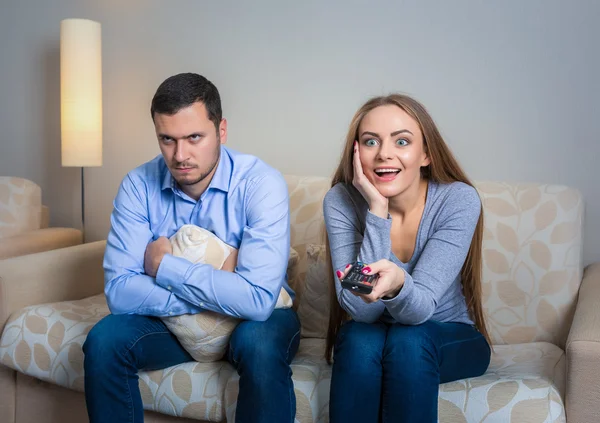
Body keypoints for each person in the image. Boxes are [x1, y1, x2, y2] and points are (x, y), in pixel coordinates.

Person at [83, 73, 300, 423]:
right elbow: (120, 292)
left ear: (222, 130)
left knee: (259, 346)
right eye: (167, 139)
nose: (180, 155)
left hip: (257, 322)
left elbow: (258, 300)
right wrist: (222, 288)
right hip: (173, 326)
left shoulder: (261, 184)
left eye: (194, 137)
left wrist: (166, 269)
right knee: (104, 341)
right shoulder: (138, 185)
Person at [323, 94, 491, 422]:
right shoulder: (341, 200)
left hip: (447, 334)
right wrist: (377, 210)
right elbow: (360, 310)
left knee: (408, 340)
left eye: (402, 141)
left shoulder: (458, 200)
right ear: (357, 152)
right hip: (374, 333)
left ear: (426, 153)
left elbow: (420, 309)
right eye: (371, 141)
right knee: (357, 339)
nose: (384, 153)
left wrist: (398, 283)